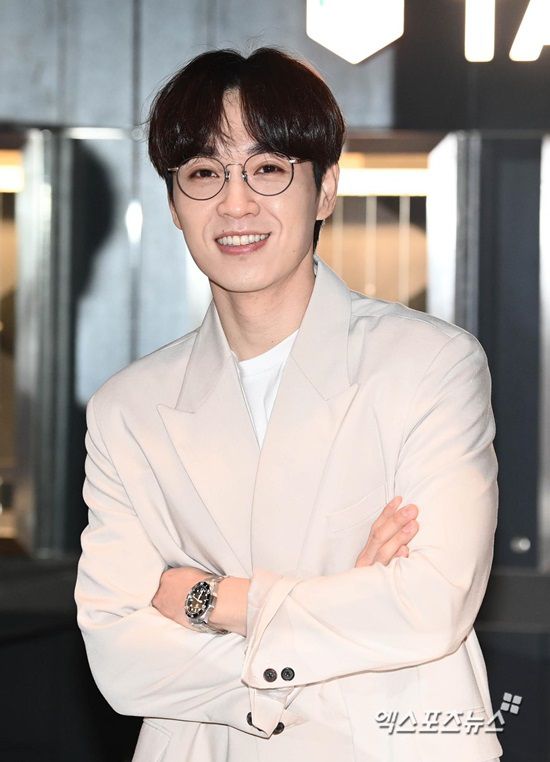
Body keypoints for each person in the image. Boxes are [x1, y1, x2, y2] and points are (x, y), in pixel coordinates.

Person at [74, 47, 502, 762]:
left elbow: (433, 605)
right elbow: (120, 654)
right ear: (174, 203)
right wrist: (344, 611)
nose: (235, 204)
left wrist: (208, 600)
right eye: (204, 173)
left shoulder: (429, 365)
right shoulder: (128, 410)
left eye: (268, 169)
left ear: (325, 188)